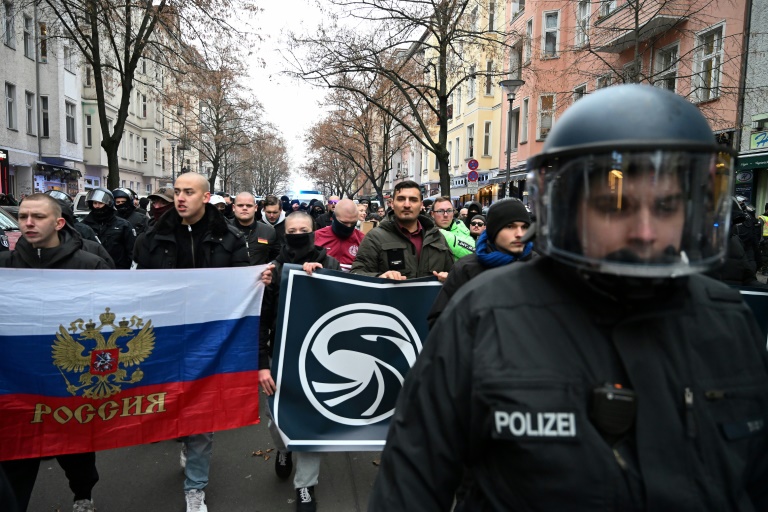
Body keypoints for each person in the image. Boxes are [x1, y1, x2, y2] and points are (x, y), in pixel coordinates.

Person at [369, 84, 768, 510]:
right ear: (568, 207)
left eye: (667, 206)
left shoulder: (725, 318)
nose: (646, 230)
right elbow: (411, 484)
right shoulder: (484, 315)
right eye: (616, 205)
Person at [133, 173, 254, 512]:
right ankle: (182, 436)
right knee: (172, 406)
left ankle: (195, 488)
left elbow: (241, 285)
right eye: (177, 192)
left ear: (206, 196)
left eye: (189, 192)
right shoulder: (151, 238)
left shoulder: (229, 239)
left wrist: (258, 280)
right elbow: (140, 288)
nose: (180, 198)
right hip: (165, 340)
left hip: (210, 340)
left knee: (202, 415)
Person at [0, 194, 110, 512]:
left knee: (74, 447)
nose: (29, 223)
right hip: (19, 379)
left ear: (59, 222)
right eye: (22, 217)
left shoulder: (90, 265)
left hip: (70, 377)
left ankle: (83, 493)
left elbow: (116, 309)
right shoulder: (5, 266)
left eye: (38, 216)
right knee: (17, 452)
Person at [258, 211, 341, 512]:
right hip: (280, 355)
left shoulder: (330, 263)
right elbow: (263, 320)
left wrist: (323, 279)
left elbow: (343, 305)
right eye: (291, 230)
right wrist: (262, 364)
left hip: (318, 356)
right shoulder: (272, 270)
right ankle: (283, 449)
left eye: (303, 229)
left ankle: (305, 485)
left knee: (310, 420)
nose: (297, 234)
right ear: (284, 232)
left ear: (313, 231)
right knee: (276, 418)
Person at [427, 199, 533, 327]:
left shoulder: (540, 266)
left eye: (525, 227)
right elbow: (439, 321)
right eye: (510, 226)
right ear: (493, 230)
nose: (519, 234)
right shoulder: (466, 268)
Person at [350, 180, 453, 280]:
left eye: (413, 200)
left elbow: (454, 274)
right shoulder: (375, 238)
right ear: (392, 204)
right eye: (401, 199)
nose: (407, 205)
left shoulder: (436, 237)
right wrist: (379, 278)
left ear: (421, 205)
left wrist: (448, 277)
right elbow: (357, 273)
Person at [81, 188, 136, 269]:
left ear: (108, 204)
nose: (97, 206)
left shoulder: (123, 225)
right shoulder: (84, 225)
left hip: (117, 271)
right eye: (95, 203)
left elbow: (132, 250)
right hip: (92, 270)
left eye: (100, 203)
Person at [314, 198, 365, 272]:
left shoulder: (362, 240)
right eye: (344, 223)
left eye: (353, 223)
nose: (348, 226)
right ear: (334, 218)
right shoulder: (317, 237)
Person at [231, 191, 279, 265]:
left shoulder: (269, 231)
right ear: (234, 208)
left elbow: (276, 259)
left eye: (249, 205)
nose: (244, 208)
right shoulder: (224, 229)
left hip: (259, 275)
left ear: (255, 208)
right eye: (240, 205)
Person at [430, 196, 474, 260]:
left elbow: (473, 253)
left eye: (449, 211)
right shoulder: (426, 231)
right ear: (432, 214)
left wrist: (441, 233)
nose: (445, 215)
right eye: (440, 211)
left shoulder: (462, 228)